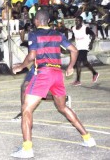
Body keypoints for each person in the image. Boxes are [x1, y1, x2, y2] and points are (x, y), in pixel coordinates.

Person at [10, 10, 96, 159]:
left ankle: (27, 149)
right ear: (48, 20)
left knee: (26, 109)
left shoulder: (34, 34)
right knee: (63, 107)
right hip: (57, 74)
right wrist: (70, 67)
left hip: (43, 73)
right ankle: (88, 138)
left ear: (37, 20)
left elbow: (31, 55)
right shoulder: (58, 34)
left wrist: (21, 66)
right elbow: (74, 50)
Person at [71, 16, 99, 86]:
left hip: (84, 47)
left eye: (78, 20)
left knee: (78, 62)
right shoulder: (74, 28)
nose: (77, 22)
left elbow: (93, 34)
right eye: (76, 20)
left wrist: (91, 43)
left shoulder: (85, 28)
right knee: (85, 62)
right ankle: (95, 73)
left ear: (81, 21)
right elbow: (73, 37)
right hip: (78, 47)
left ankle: (78, 80)